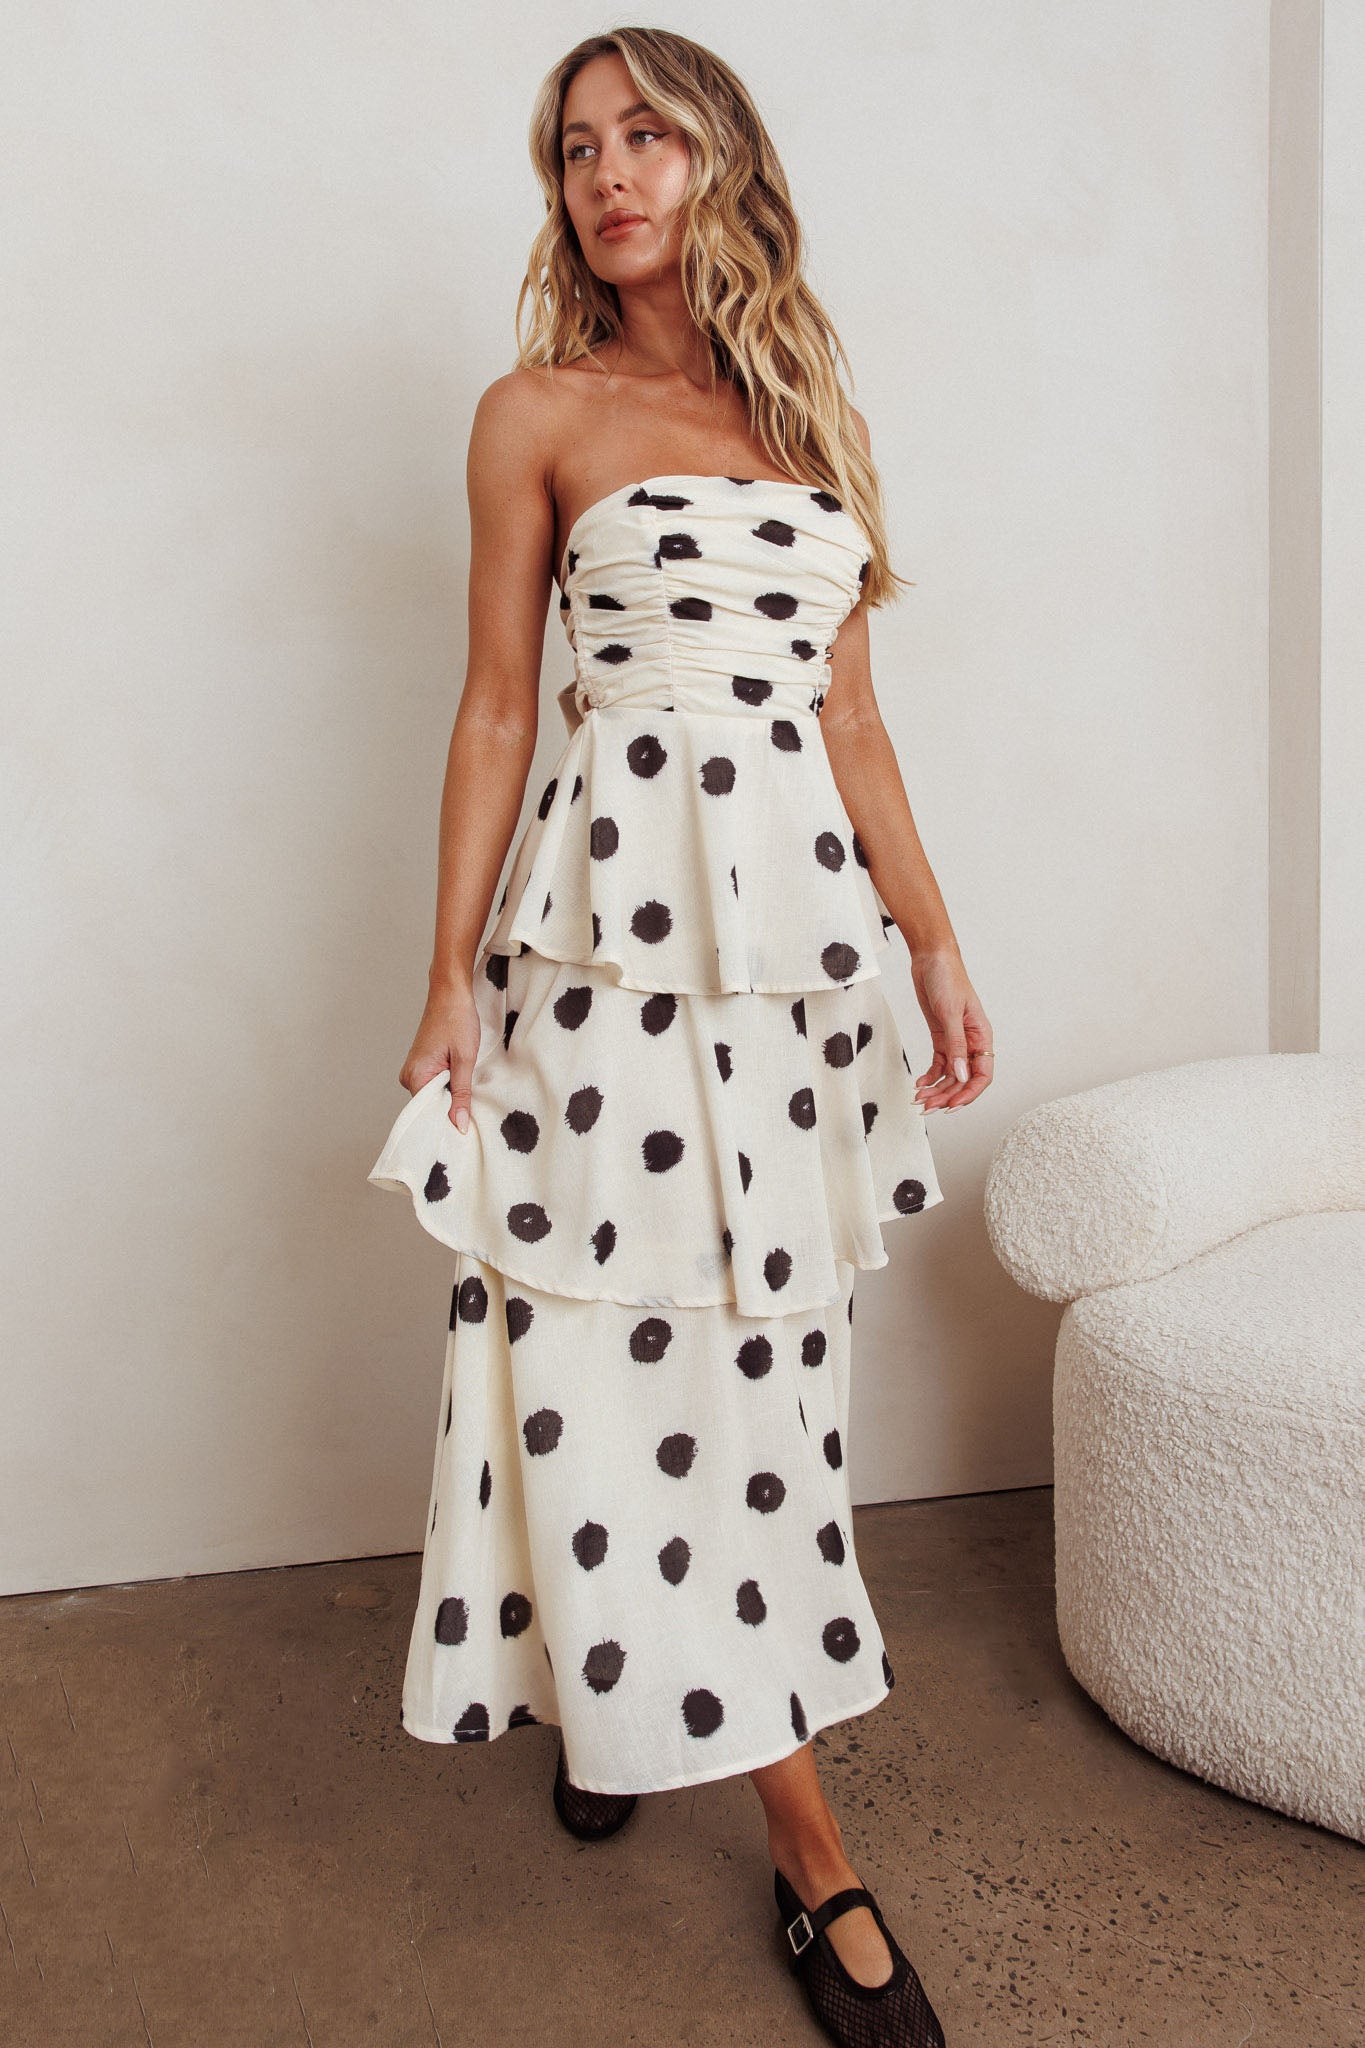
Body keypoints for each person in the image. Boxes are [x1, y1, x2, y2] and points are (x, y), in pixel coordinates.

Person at [368, 26, 993, 2047]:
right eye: (575, 149)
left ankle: (639, 1699)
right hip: (600, 950)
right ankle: (812, 1853)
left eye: (645, 133)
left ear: (724, 158)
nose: (608, 174)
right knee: (595, 1349)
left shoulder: (810, 415)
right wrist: (444, 974)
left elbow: (849, 718)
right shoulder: (535, 412)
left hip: (785, 971)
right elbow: (496, 704)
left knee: (762, 1368)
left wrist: (931, 944)